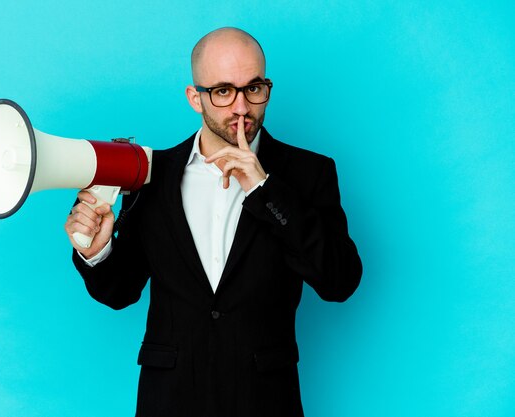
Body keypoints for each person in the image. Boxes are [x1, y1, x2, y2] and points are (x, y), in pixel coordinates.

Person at [64, 27, 362, 417]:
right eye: (223, 91)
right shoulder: (152, 175)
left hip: (266, 400)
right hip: (168, 400)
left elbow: (340, 281)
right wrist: (97, 252)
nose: (242, 107)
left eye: (254, 88)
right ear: (195, 98)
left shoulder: (309, 173)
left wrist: (264, 190)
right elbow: (120, 292)